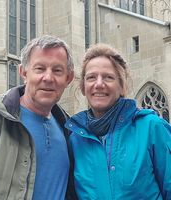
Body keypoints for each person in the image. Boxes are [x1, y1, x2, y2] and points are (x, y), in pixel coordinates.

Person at [0, 35, 78, 200]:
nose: (48, 78)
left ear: (68, 78)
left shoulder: (70, 131)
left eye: (57, 70)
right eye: (40, 68)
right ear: (23, 72)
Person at [65, 43, 171, 199]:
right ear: (82, 87)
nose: (99, 84)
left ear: (122, 86)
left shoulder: (151, 128)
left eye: (108, 77)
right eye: (91, 77)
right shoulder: (75, 140)